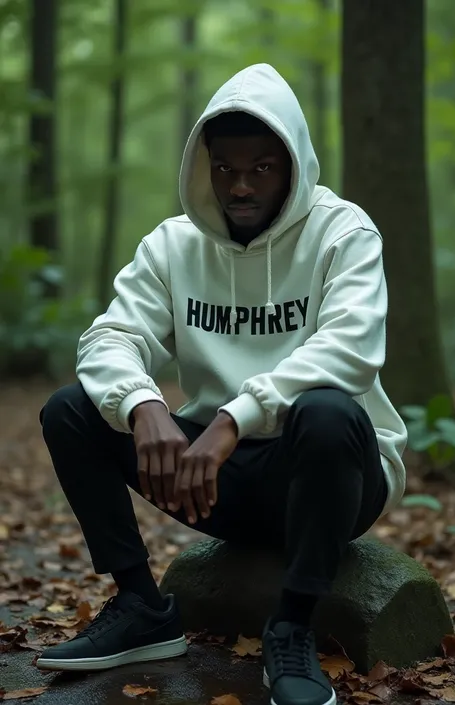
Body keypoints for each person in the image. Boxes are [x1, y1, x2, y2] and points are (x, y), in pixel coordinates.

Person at [37, 63, 407, 705]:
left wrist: (235, 417)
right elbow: (107, 338)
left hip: (329, 476)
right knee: (72, 410)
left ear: (292, 164)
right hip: (217, 481)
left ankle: (291, 628)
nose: (240, 185)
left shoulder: (343, 233)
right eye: (225, 167)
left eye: (262, 167)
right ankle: (141, 606)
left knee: (327, 412)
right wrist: (143, 404)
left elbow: (350, 350)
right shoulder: (172, 247)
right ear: (202, 165)